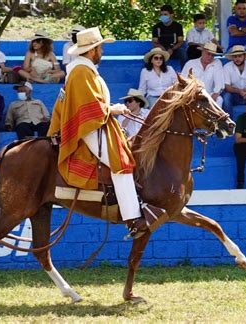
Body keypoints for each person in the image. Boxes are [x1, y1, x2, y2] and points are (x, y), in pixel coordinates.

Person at [47, 27, 148, 237]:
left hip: (94, 123)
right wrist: (115, 109)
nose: (102, 50)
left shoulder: (83, 70)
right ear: (92, 50)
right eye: (100, 47)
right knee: (121, 163)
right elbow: (88, 108)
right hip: (90, 126)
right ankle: (132, 219)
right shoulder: (82, 72)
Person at [181, 42, 224, 107]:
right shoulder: (190, 63)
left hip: (209, 94)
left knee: (219, 99)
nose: (210, 57)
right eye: (208, 54)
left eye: (212, 55)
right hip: (192, 94)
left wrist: (216, 93)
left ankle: (214, 117)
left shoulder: (217, 63)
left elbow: (220, 82)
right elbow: (182, 80)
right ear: (202, 52)